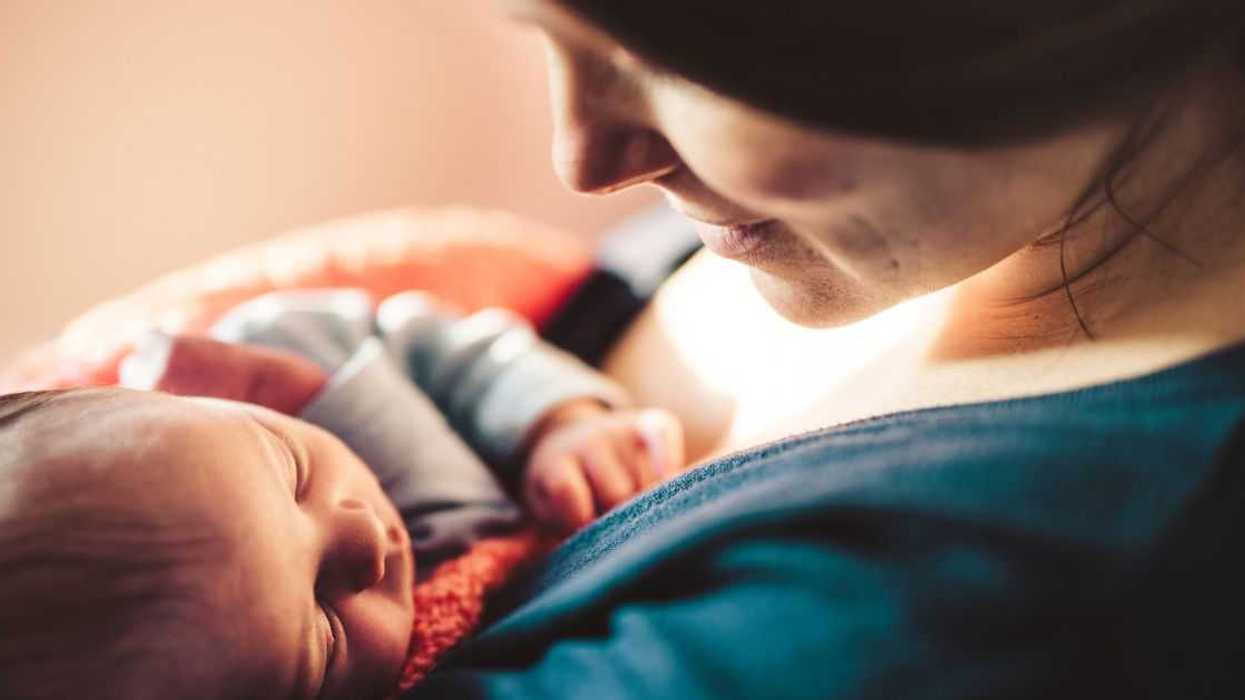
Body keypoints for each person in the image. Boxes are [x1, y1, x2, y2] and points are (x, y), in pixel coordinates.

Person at [393, 1, 1245, 697]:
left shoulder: (955, 610)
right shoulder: (862, 213)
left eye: (671, 59)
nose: (581, 162)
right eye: (554, 36)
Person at [0, 289, 686, 699]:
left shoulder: (275, 362)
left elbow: (453, 347)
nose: (363, 537)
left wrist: (556, 423)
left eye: (292, 470)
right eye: (322, 633)